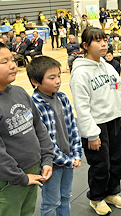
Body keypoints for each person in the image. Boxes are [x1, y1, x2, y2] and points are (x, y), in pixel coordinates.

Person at [0, 41, 54, 216]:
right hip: (7, 181)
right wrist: (19, 177)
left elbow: (38, 127)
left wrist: (47, 159)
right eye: (4, 62)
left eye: (12, 59)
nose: (13, 65)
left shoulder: (19, 92)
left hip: (33, 172)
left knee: (26, 212)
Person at [69, 27, 121, 216]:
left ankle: (111, 193)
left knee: (118, 160)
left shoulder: (109, 67)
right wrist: (91, 134)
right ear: (86, 46)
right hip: (96, 126)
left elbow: (118, 93)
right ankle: (96, 198)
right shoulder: (80, 73)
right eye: (98, 41)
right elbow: (82, 107)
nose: (104, 43)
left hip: (114, 121)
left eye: (105, 39)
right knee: (100, 165)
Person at [27, 56, 82, 216]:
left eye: (59, 75)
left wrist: (76, 154)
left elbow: (73, 129)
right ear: (35, 81)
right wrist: (68, 160)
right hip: (50, 165)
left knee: (66, 197)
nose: (58, 80)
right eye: (52, 78)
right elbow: (45, 142)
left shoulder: (63, 98)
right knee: (51, 202)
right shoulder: (34, 105)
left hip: (67, 161)